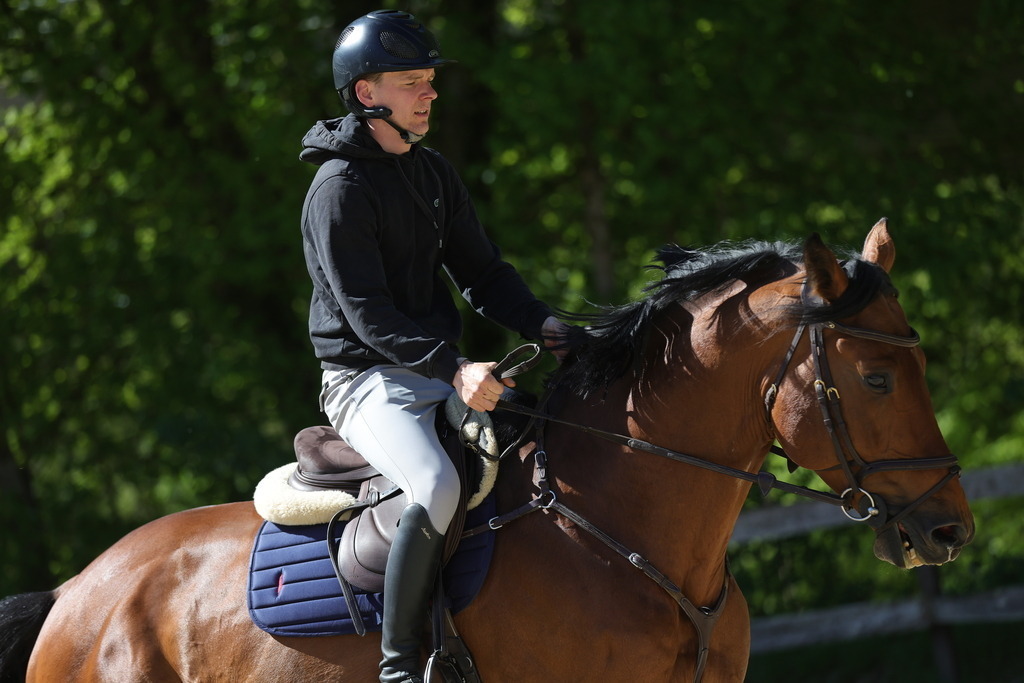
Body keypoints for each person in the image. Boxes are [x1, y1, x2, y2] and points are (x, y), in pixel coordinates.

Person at [299, 9, 568, 683]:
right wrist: (455, 367)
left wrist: (548, 327)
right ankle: (397, 666)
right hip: (364, 379)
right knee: (437, 481)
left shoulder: (434, 174)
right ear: (368, 95)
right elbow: (367, 315)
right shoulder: (338, 190)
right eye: (415, 81)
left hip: (438, 371)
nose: (431, 93)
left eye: (429, 79)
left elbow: (482, 275)